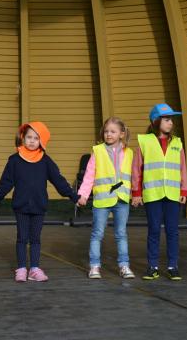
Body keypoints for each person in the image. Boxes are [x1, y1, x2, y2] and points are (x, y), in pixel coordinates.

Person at [0, 122, 78, 282]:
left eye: (36, 138)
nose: (31, 141)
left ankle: (35, 269)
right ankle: (22, 268)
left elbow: (59, 181)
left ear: (42, 141)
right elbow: (6, 183)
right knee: (22, 238)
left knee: (35, 239)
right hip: (21, 206)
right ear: (23, 138)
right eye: (29, 137)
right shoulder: (14, 160)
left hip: (39, 206)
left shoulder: (46, 161)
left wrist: (73, 196)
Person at [131, 103, 187, 281]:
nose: (171, 123)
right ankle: (152, 266)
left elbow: (182, 169)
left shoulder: (177, 142)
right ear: (156, 121)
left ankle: (173, 266)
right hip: (153, 194)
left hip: (172, 194)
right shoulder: (144, 142)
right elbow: (136, 170)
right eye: (167, 119)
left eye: (171, 120)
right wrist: (136, 192)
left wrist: (184, 190)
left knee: (173, 231)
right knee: (154, 230)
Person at [77, 117, 135, 280]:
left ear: (122, 134)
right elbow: (89, 175)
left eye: (113, 131)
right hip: (102, 200)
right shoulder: (98, 151)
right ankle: (94, 266)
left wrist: (136, 194)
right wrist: (83, 194)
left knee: (121, 233)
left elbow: (134, 176)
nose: (108, 134)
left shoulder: (129, 153)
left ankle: (124, 265)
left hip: (122, 199)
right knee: (97, 233)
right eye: (106, 131)